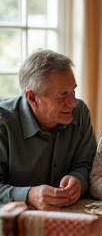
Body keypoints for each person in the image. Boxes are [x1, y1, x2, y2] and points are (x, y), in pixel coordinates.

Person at [0, 49, 96, 210]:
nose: (73, 103)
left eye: (73, 90)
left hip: (70, 215)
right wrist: (28, 195)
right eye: (62, 94)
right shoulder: (4, 124)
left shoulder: (80, 113)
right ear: (31, 97)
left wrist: (78, 180)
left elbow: (86, 164)